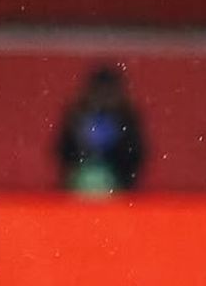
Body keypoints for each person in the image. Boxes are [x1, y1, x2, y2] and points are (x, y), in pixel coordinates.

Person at [56, 64, 146, 194]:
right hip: (78, 184)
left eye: (108, 93)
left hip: (119, 185)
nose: (104, 98)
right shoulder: (77, 116)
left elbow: (136, 155)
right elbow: (62, 150)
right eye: (100, 92)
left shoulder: (127, 118)